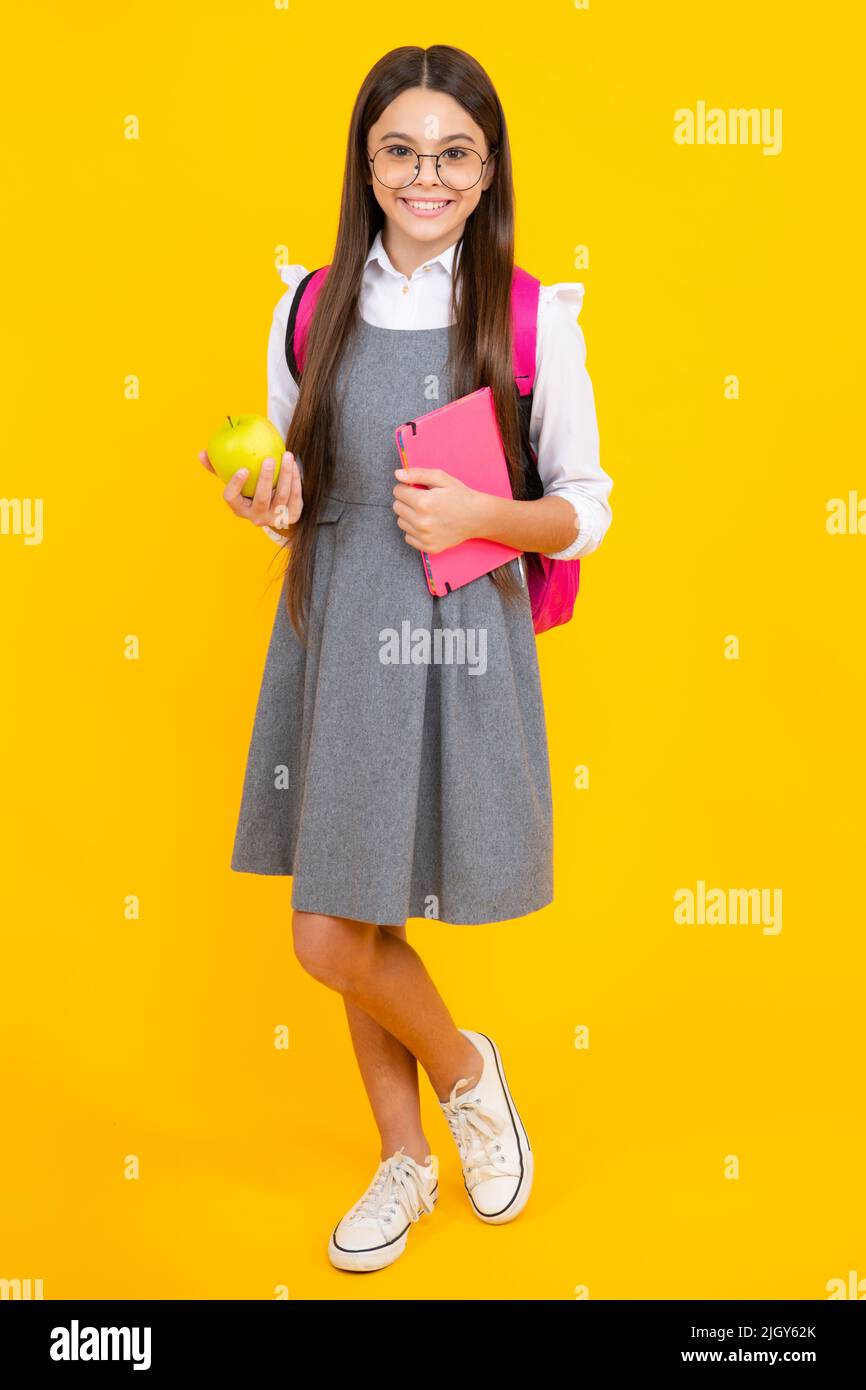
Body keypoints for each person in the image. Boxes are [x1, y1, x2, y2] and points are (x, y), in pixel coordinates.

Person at [200, 44, 612, 1273]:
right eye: (400, 151)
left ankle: (454, 1089)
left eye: (452, 154)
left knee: (342, 930)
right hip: (332, 634)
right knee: (338, 922)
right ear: (365, 162)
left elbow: (584, 508)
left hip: (451, 638)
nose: (424, 175)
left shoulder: (530, 317)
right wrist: (259, 493)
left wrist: (481, 516)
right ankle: (423, 1134)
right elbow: (280, 468)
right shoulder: (308, 302)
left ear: (485, 173)